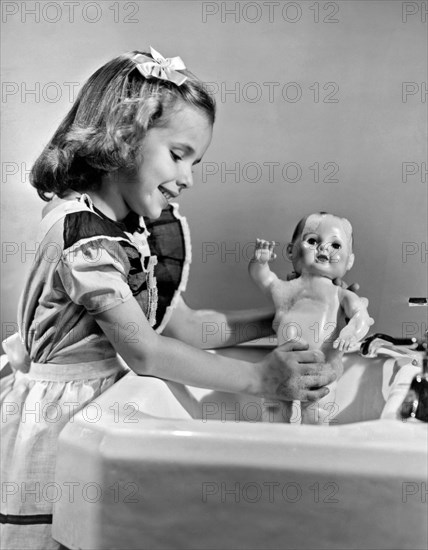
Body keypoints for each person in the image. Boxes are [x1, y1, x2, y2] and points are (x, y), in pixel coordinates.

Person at [0, 48, 337, 549]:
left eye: (195, 161)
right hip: (60, 420)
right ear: (122, 136)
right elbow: (145, 352)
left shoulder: (133, 231)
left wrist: (277, 317)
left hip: (105, 409)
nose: (189, 177)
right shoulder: (83, 238)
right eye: (178, 155)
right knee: (58, 536)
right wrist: (261, 377)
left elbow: (186, 328)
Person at [249, 212, 373, 424]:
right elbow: (264, 278)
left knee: (315, 414)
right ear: (290, 250)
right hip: (281, 365)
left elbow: (361, 315)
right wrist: (259, 262)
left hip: (320, 369)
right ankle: (274, 449)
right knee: (273, 412)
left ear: (349, 261)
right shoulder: (286, 289)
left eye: (336, 245)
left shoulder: (340, 295)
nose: (323, 248)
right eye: (313, 241)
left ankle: (311, 449)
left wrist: (352, 330)